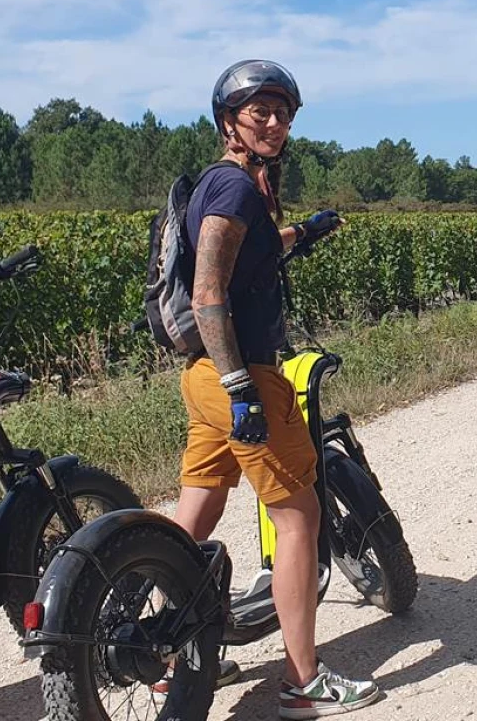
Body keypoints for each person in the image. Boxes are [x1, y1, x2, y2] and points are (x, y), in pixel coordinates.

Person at [165, 59, 379, 719]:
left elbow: (248, 255)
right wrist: (241, 389)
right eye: (261, 112)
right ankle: (301, 682)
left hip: (202, 380)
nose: (276, 124)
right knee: (299, 519)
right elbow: (208, 293)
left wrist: (304, 232)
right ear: (229, 120)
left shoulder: (231, 187)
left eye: (284, 113)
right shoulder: (232, 189)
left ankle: (166, 652)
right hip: (238, 375)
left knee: (194, 513)